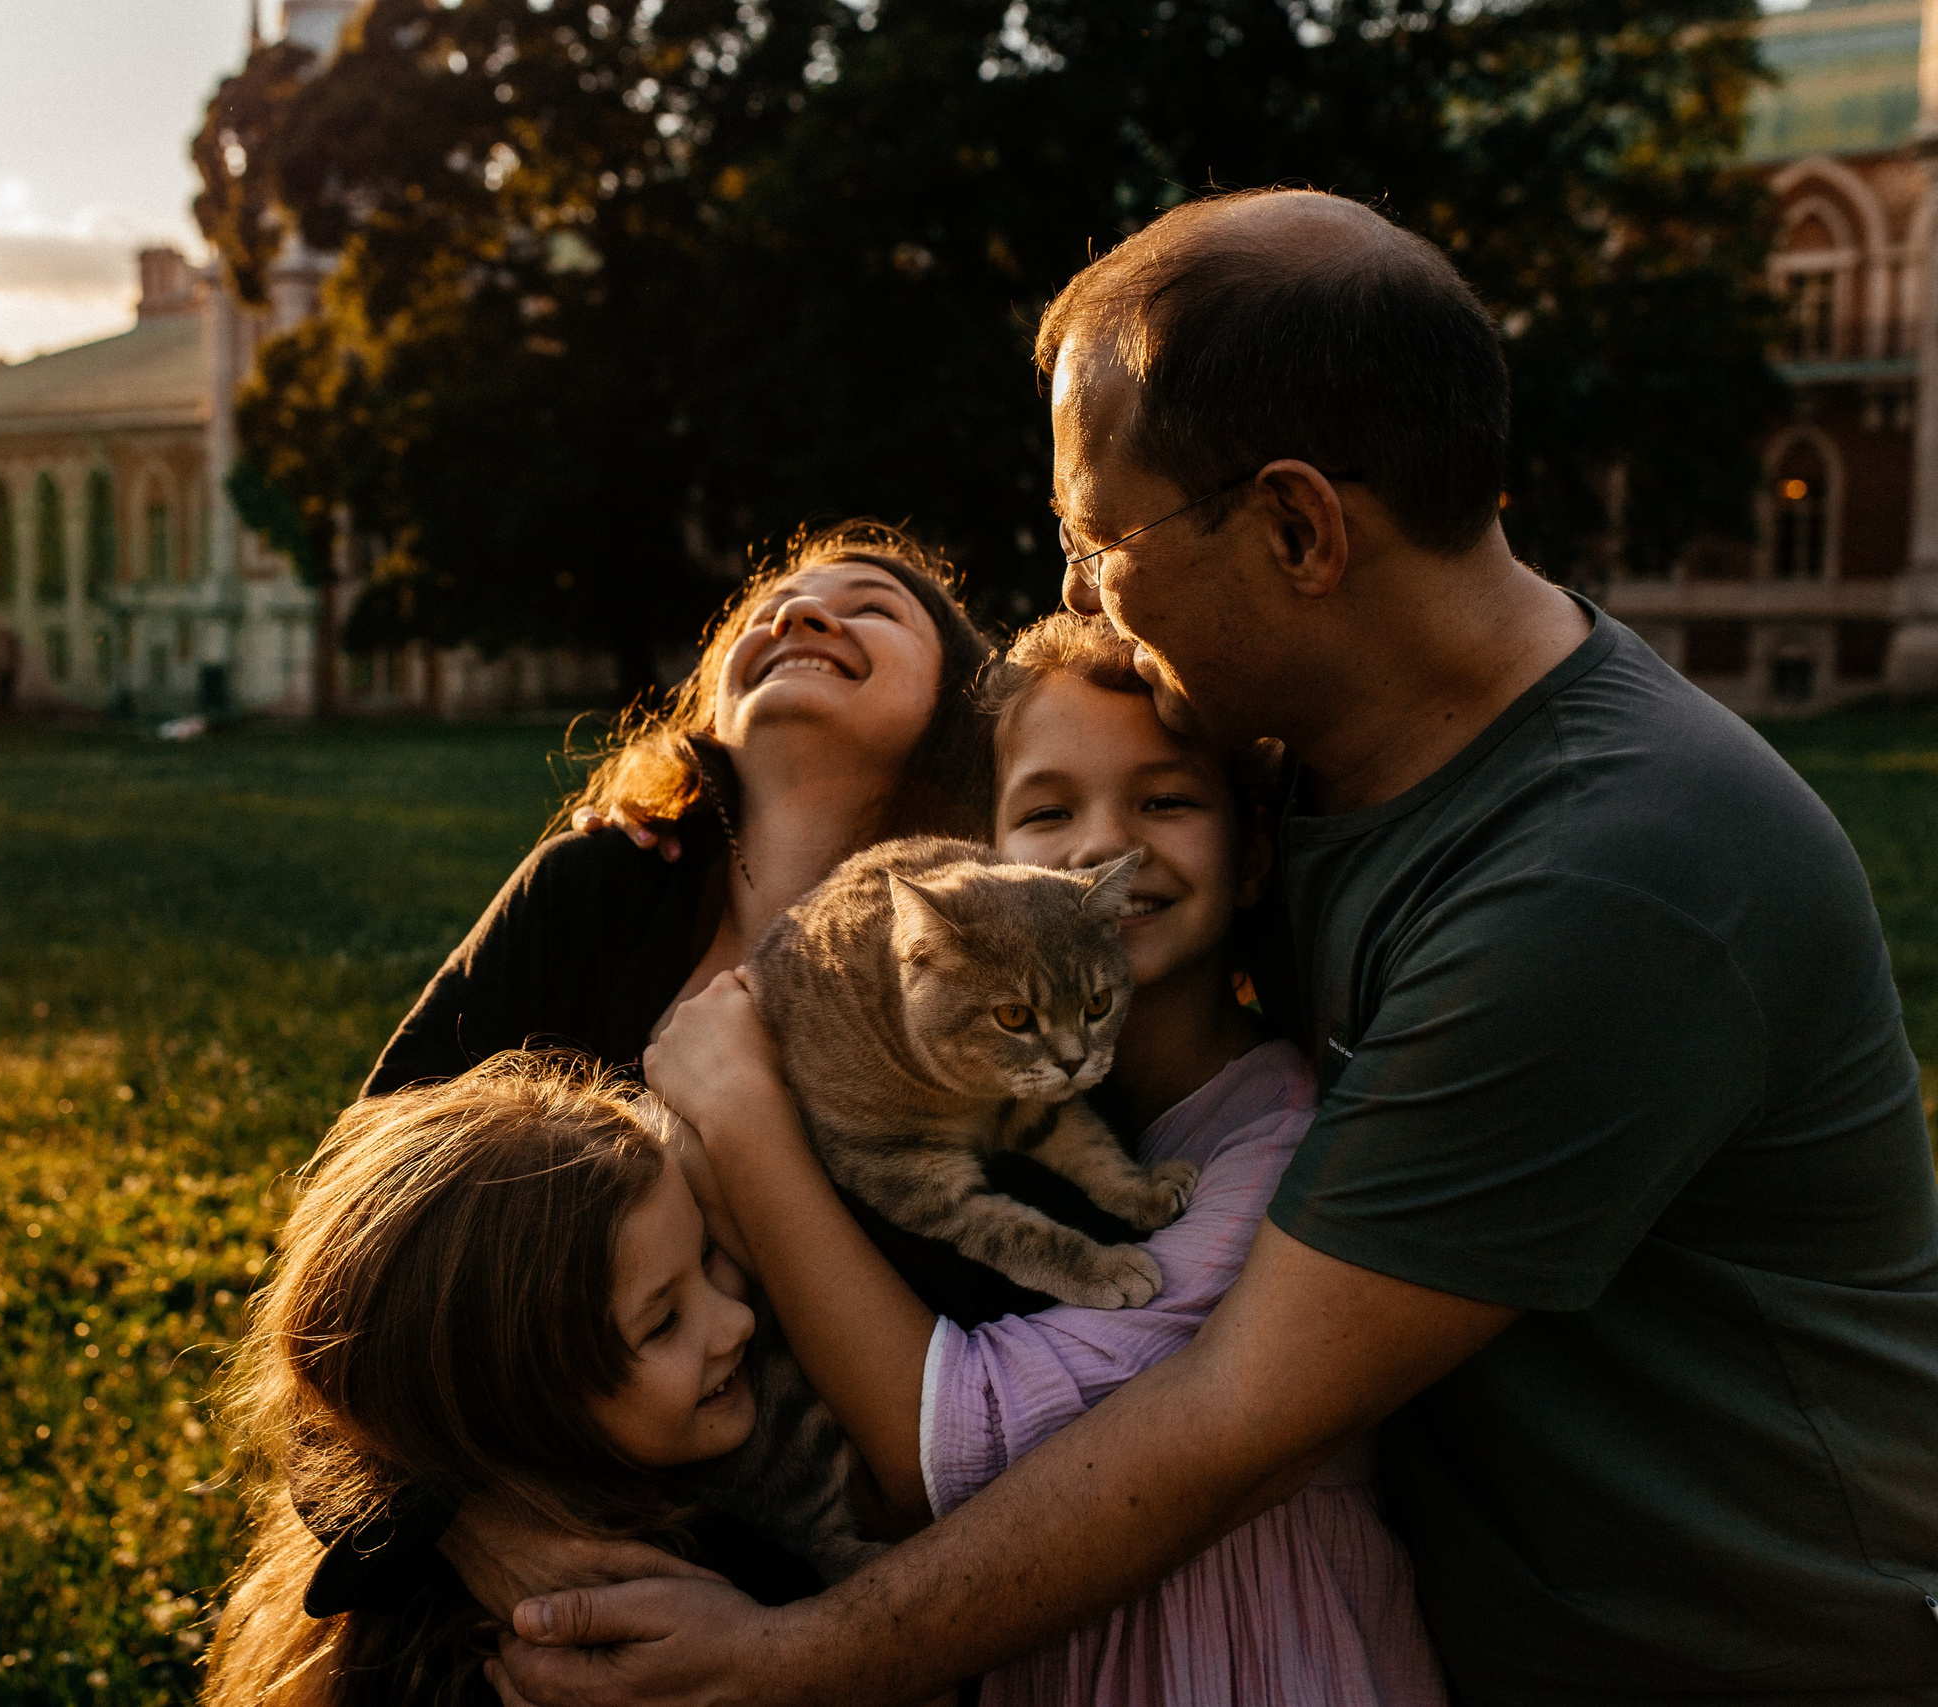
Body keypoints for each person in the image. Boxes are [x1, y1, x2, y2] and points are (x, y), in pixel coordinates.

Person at [486, 189, 1938, 1705]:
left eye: (1097, 539)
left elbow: (1232, 1415)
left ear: (1301, 527)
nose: (1072, 594)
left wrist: (799, 1656)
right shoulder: (1300, 759)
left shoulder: (1609, 881)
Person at [640, 607, 1444, 1705]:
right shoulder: (975, 1091)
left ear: (1253, 848)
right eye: (1047, 808)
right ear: (989, 860)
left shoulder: (1282, 1146)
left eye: (1163, 799)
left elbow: (953, 1454)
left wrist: (741, 1116)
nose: (1103, 848)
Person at [202, 1055, 816, 1707]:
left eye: (705, 1254)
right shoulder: (689, 1597)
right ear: (524, 1408)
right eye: (663, 1323)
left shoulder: (394, 1582)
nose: (738, 1320)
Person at [364, 517, 995, 1095]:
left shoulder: (985, 958)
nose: (797, 614)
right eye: (764, 614)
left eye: (871, 608)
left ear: (957, 697)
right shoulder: (588, 885)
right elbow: (376, 1147)